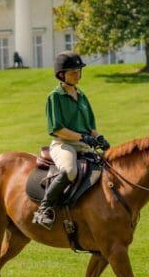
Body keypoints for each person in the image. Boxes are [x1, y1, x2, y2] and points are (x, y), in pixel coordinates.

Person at [33, 51, 110, 229]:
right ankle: (43, 210)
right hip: (64, 144)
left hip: (84, 145)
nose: (78, 75)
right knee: (69, 171)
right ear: (61, 74)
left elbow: (91, 126)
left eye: (79, 71)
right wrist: (83, 137)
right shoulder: (55, 97)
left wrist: (99, 137)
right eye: (73, 72)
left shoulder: (82, 96)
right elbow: (58, 129)